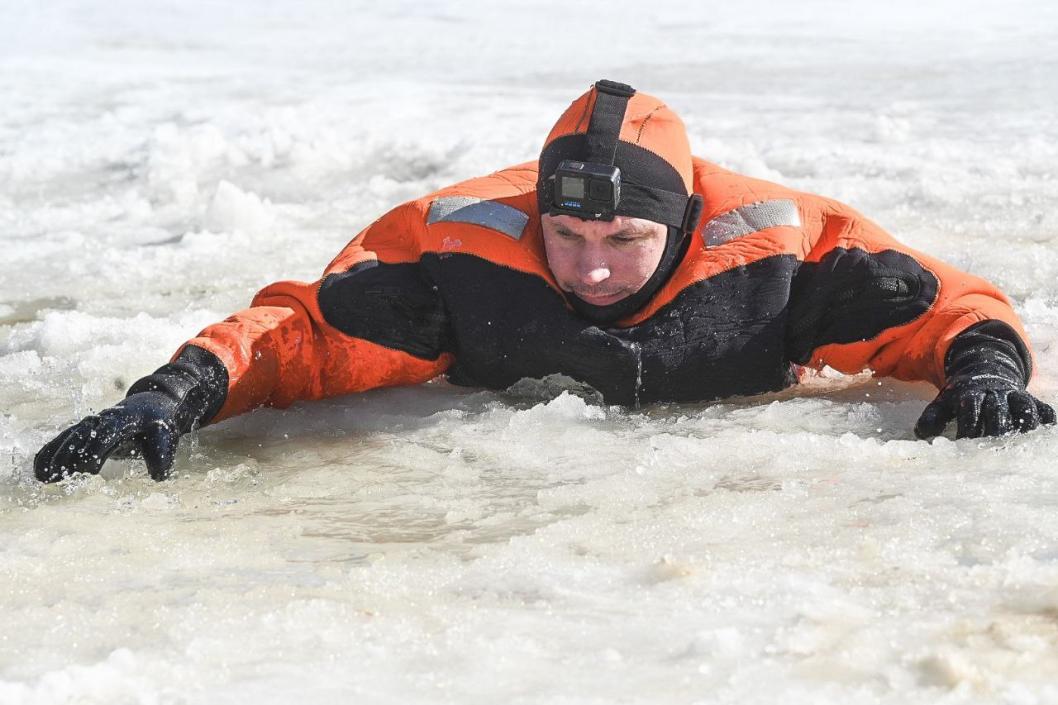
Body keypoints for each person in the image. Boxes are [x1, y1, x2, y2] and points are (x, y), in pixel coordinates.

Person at [35, 80, 1055, 482]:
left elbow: (950, 307)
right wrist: (173, 391)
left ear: (682, 219)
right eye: (565, 233)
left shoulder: (776, 249)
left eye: (620, 236)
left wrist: (983, 377)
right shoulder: (462, 249)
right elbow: (297, 336)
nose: (591, 264)